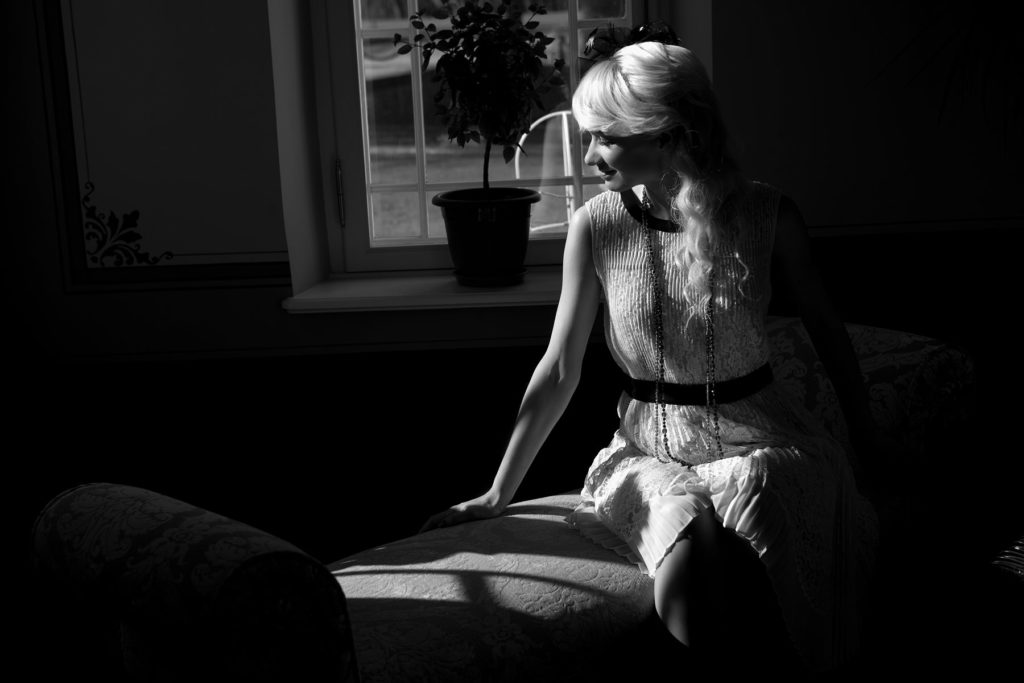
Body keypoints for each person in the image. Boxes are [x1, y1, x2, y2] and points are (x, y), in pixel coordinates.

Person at [419, 29, 886, 678]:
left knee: (763, 506)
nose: (589, 156)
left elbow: (830, 337)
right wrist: (498, 491)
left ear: (667, 135)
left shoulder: (768, 216)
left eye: (603, 137)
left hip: (764, 443)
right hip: (649, 454)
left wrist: (870, 453)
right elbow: (560, 367)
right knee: (690, 544)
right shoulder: (597, 224)